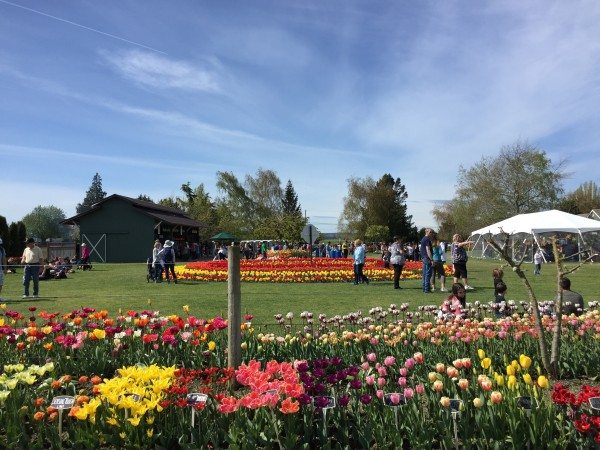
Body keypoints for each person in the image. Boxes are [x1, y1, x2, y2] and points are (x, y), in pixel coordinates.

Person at [420, 229, 434, 293]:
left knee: (425, 274)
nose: (432, 233)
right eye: (430, 232)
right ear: (427, 232)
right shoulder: (427, 239)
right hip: (427, 258)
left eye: (432, 232)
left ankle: (424, 288)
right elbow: (428, 250)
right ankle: (426, 289)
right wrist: (431, 259)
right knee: (428, 274)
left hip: (424, 258)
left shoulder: (423, 239)